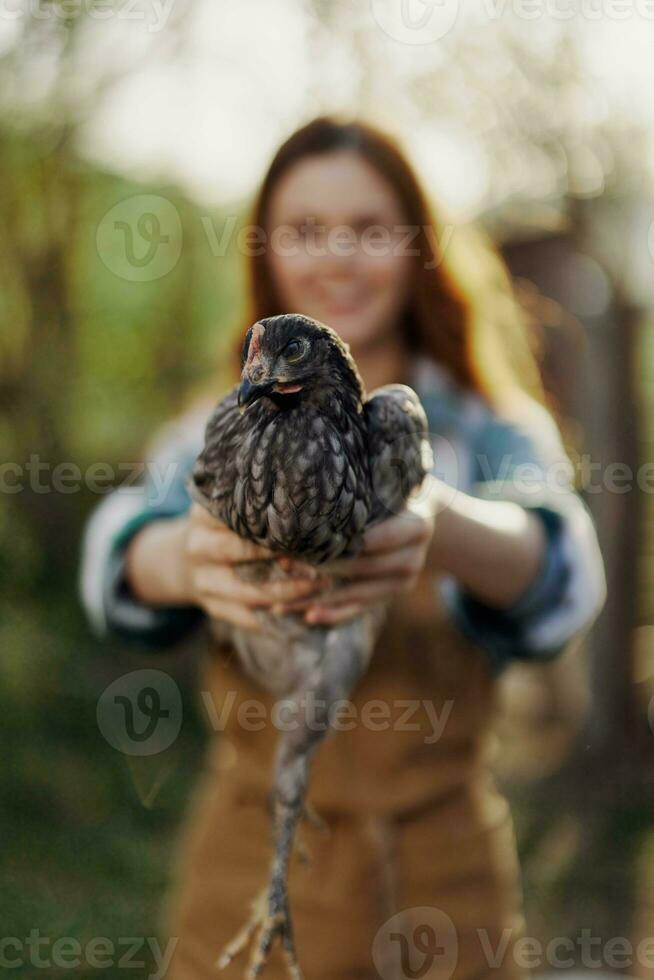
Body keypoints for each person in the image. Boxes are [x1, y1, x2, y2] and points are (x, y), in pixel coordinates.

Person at [80, 117, 606, 980]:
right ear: (266, 252)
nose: (338, 257)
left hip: (439, 880)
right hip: (253, 874)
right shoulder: (224, 418)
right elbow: (115, 552)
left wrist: (440, 523)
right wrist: (180, 558)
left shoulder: (483, 424)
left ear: (419, 248)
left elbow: (563, 568)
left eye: (368, 229)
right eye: (306, 230)